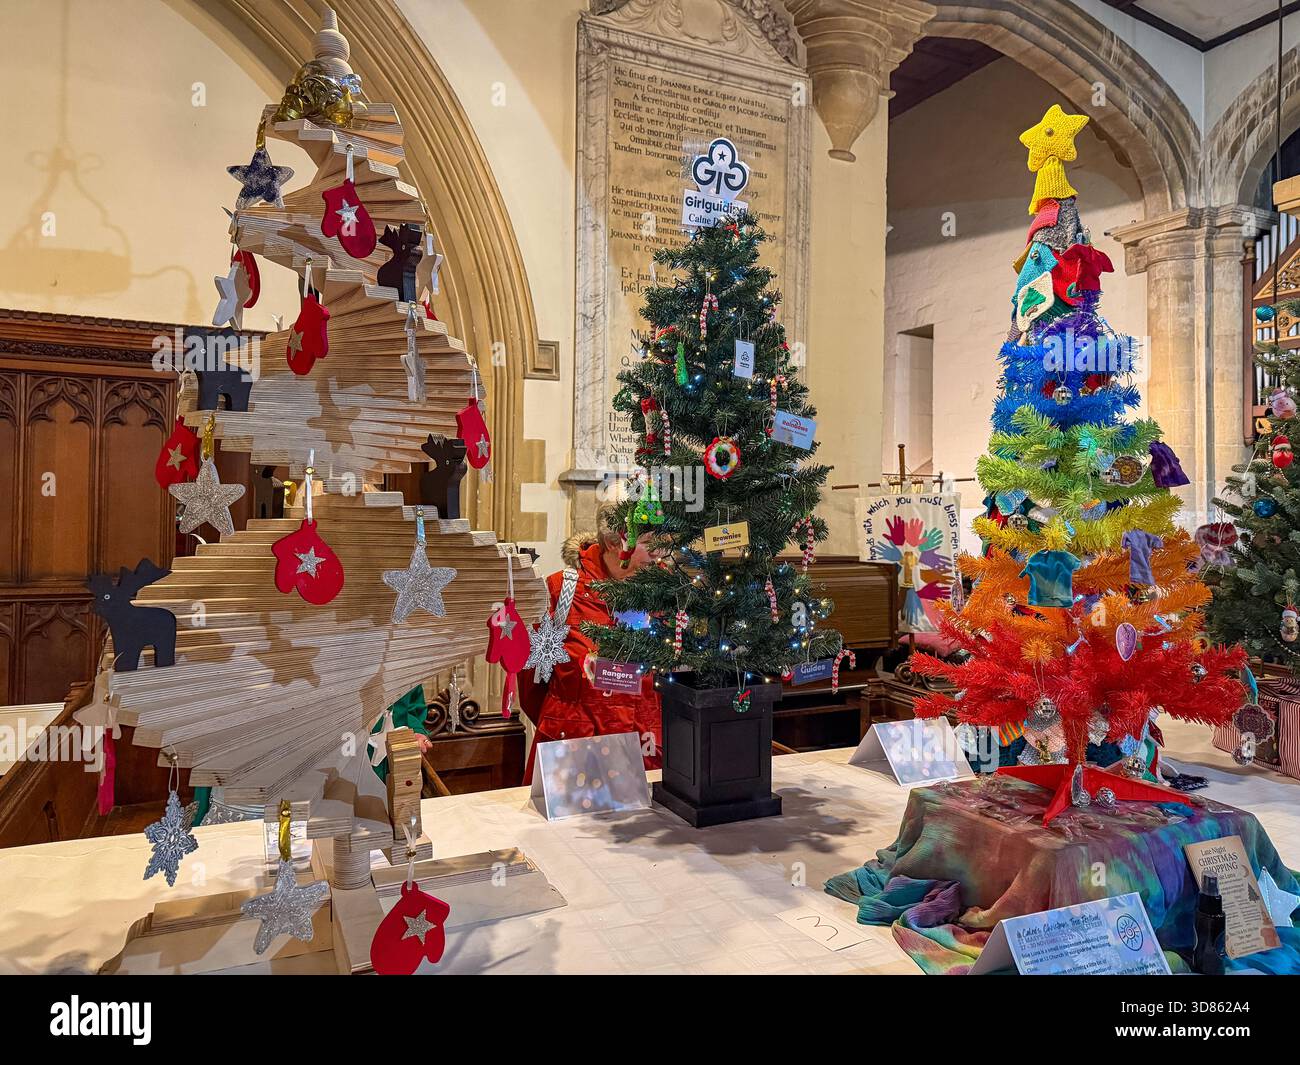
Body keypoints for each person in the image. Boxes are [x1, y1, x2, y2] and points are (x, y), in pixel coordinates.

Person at [519, 502, 665, 780]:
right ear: (613, 542)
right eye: (648, 542)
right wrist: (569, 719)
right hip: (574, 750)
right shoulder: (560, 591)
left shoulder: (666, 593)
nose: (659, 552)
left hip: (644, 749)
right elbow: (530, 681)